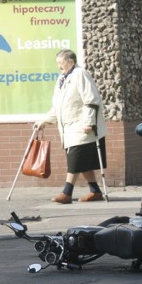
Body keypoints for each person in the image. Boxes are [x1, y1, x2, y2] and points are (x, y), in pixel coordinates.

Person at [34, 49, 107, 204]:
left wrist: (89, 122)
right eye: (58, 63)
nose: (59, 66)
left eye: (61, 62)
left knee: (75, 158)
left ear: (71, 62)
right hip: (68, 128)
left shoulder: (81, 74)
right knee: (82, 160)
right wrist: (44, 120)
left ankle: (67, 193)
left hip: (81, 125)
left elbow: (92, 100)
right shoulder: (61, 79)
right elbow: (57, 107)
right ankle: (95, 191)